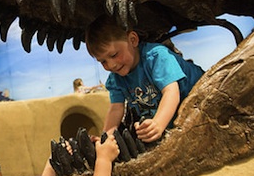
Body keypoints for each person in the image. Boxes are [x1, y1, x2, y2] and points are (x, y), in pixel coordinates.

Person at [85, 14, 205, 143]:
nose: (111, 65)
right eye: (103, 61)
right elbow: (116, 108)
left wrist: (158, 123)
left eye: (114, 55)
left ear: (132, 40)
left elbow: (171, 92)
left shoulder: (156, 57)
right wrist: (106, 138)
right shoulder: (115, 79)